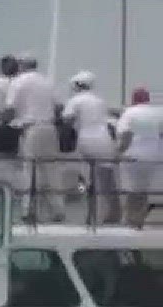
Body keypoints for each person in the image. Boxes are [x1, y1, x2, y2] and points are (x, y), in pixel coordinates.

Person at [4, 53, 61, 223]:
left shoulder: (18, 82)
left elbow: (10, 109)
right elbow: (58, 106)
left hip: (32, 129)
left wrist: (2, 120)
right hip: (50, 128)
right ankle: (58, 210)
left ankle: (28, 210)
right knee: (51, 172)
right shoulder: (47, 82)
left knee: (30, 171)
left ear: (21, 65)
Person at [63, 71, 118, 223]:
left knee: (88, 180)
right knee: (106, 181)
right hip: (105, 140)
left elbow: (67, 119)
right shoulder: (99, 100)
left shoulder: (76, 100)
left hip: (86, 139)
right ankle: (110, 215)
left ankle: (92, 216)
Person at [117, 87, 163, 227]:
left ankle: (129, 220)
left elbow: (126, 135)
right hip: (154, 157)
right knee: (143, 190)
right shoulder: (157, 113)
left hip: (133, 156)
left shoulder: (129, 113)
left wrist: (117, 152)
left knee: (132, 190)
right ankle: (139, 220)